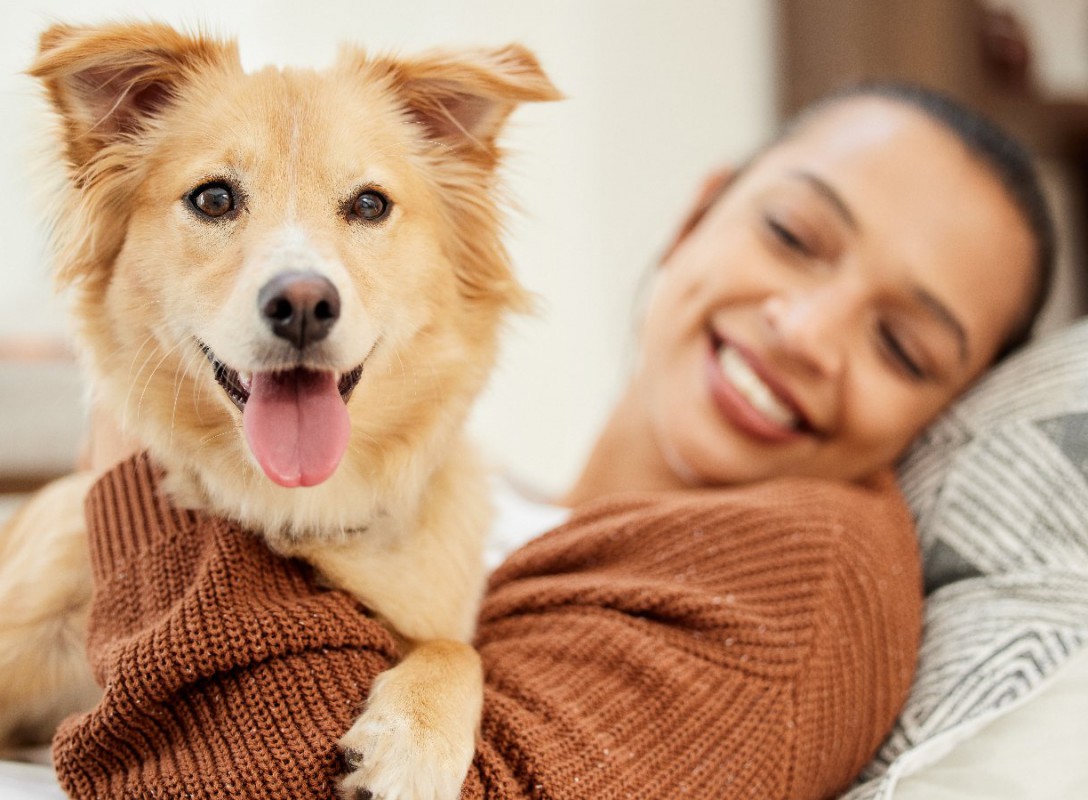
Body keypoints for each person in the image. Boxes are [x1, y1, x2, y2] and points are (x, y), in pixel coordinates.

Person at [54, 83, 1054, 800]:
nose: (805, 331)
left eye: (901, 344)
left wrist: (142, 446)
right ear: (696, 215)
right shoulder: (461, 502)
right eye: (793, 236)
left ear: (939, 417)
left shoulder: (805, 581)